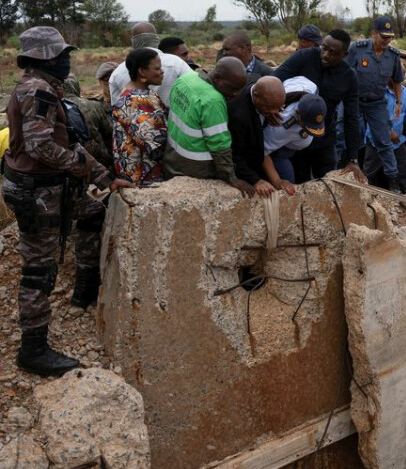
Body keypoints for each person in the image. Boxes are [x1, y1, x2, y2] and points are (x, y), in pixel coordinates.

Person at [3, 27, 133, 376]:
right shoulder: (39, 92)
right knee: (38, 269)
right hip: (37, 192)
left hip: (43, 188)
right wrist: (82, 170)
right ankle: (32, 349)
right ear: (41, 58)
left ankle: (84, 291)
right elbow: (41, 147)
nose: (67, 61)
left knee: (94, 208)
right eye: (60, 55)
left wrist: (104, 178)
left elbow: (66, 141)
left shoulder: (42, 88)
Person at [274, 29, 364, 182]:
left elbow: (352, 117)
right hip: (293, 135)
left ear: (345, 55)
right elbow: (274, 81)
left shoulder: (349, 77)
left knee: (327, 183)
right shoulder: (304, 57)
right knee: (297, 182)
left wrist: (353, 159)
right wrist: (272, 109)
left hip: (324, 137)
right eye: (324, 48)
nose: (326, 55)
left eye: (333, 52)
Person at [164, 58, 252, 194]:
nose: (235, 94)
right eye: (232, 88)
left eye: (239, 89)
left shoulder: (186, 79)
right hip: (197, 166)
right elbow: (219, 145)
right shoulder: (213, 100)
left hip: (172, 157)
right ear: (216, 78)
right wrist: (231, 177)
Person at [346, 17, 406, 191]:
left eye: (389, 37)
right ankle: (347, 169)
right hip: (355, 100)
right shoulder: (357, 49)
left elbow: (397, 80)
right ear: (373, 33)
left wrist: (398, 102)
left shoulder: (393, 55)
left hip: (377, 102)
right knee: (350, 134)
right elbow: (343, 72)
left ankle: (393, 180)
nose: (386, 41)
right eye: (383, 37)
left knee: (384, 141)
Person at [112, 48, 167, 186]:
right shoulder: (135, 102)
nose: (162, 72)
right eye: (157, 68)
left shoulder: (142, 93)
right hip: (143, 177)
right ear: (142, 71)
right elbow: (155, 146)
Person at [228, 76, 289, 196]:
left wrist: (270, 111)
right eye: (268, 108)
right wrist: (255, 180)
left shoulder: (263, 93)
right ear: (255, 96)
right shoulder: (238, 115)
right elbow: (234, 155)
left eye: (278, 108)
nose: (274, 113)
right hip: (243, 168)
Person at [262, 76, 323, 183]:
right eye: (306, 125)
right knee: (289, 183)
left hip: (297, 148)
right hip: (280, 151)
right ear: (298, 114)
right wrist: (277, 180)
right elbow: (261, 151)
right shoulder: (280, 125)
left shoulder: (311, 88)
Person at [361, 77, 406, 192]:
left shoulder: (404, 92)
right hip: (377, 141)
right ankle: (366, 199)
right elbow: (374, 116)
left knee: (403, 174)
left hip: (397, 142)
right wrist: (390, 132)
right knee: (369, 174)